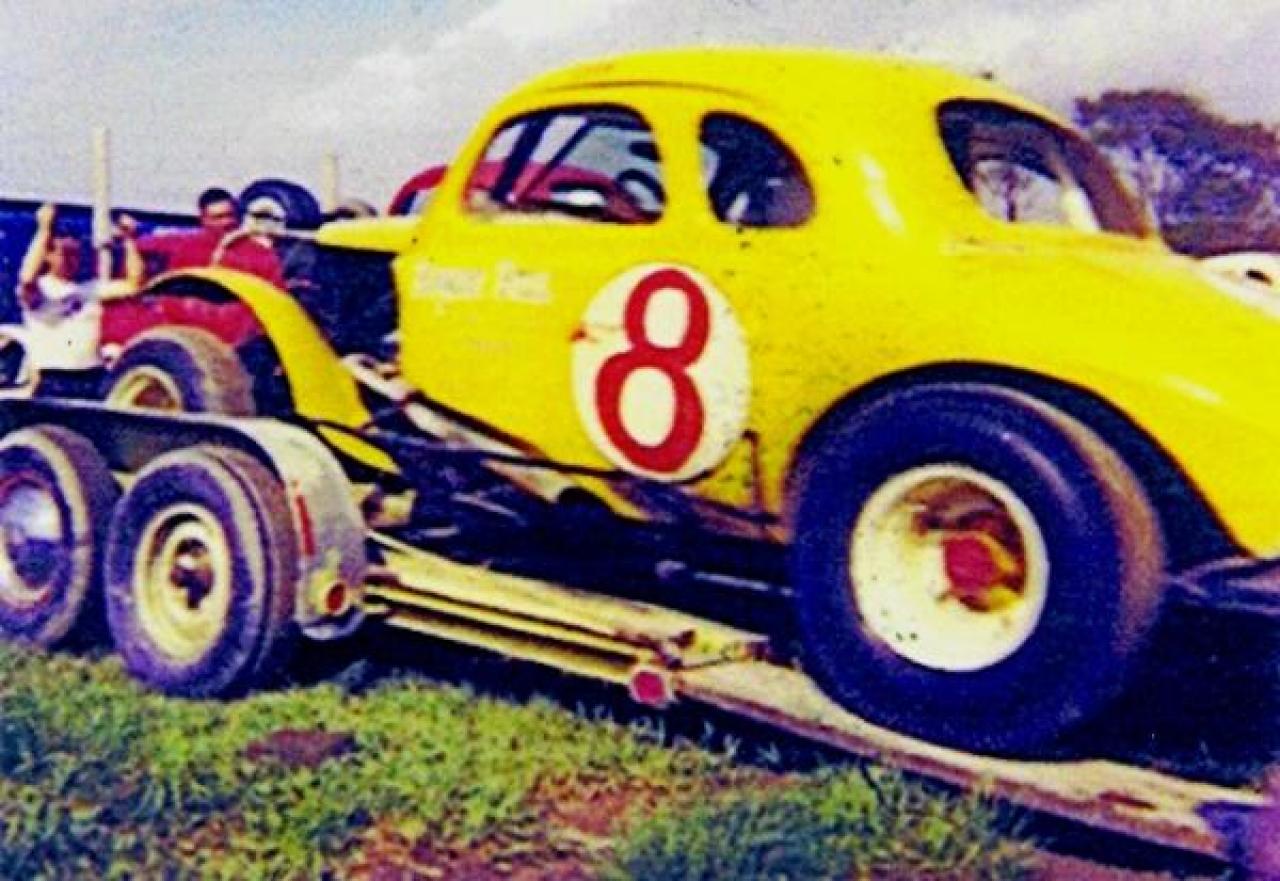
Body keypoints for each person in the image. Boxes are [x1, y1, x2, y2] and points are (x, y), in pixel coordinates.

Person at [1, 203, 142, 385]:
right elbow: (27, 278)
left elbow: (134, 285)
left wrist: (129, 240)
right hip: (54, 376)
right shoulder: (40, 290)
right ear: (48, 256)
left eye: (75, 254)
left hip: (93, 375)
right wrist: (44, 230)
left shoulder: (91, 288)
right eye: (65, 254)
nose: (70, 260)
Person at [138, 186, 284, 287]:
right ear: (203, 219)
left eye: (230, 215)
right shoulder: (183, 242)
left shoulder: (260, 254)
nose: (226, 222)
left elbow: (276, 295)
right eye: (218, 217)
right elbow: (139, 244)